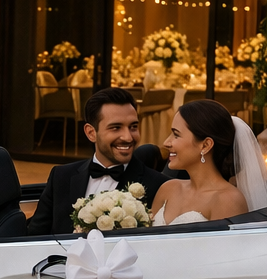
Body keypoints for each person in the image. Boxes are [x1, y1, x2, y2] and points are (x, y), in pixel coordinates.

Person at [26, 87, 169, 235]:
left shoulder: (159, 186)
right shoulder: (61, 176)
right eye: (116, 128)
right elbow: (34, 237)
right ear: (91, 133)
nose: (128, 137)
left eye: (133, 127)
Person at [149, 98, 267, 225]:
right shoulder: (168, 189)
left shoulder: (228, 200)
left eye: (176, 135)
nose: (166, 143)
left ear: (205, 145)